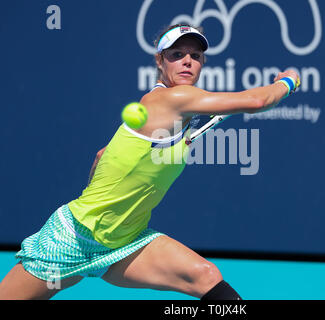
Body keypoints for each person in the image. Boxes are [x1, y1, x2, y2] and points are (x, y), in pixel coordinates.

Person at [0, 24, 299, 300]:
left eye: (195, 56)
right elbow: (258, 101)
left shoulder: (173, 112)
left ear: (202, 64)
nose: (187, 61)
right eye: (177, 54)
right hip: (74, 238)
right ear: (160, 61)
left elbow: (102, 155)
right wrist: (288, 81)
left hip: (126, 242)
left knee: (205, 276)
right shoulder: (170, 99)